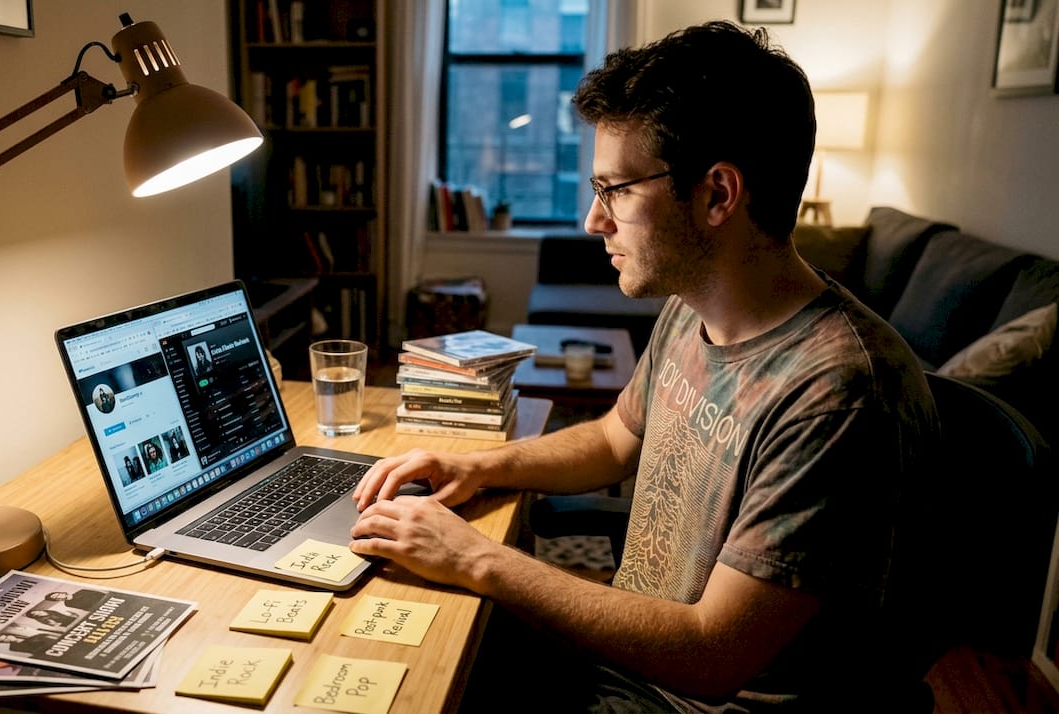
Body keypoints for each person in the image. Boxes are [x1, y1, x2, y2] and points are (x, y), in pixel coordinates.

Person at [350, 21, 939, 712]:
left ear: (718, 194)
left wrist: (476, 557)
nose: (593, 221)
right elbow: (612, 441)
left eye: (616, 189)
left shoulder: (838, 393)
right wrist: (477, 466)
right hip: (631, 659)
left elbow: (712, 653)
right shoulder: (692, 309)